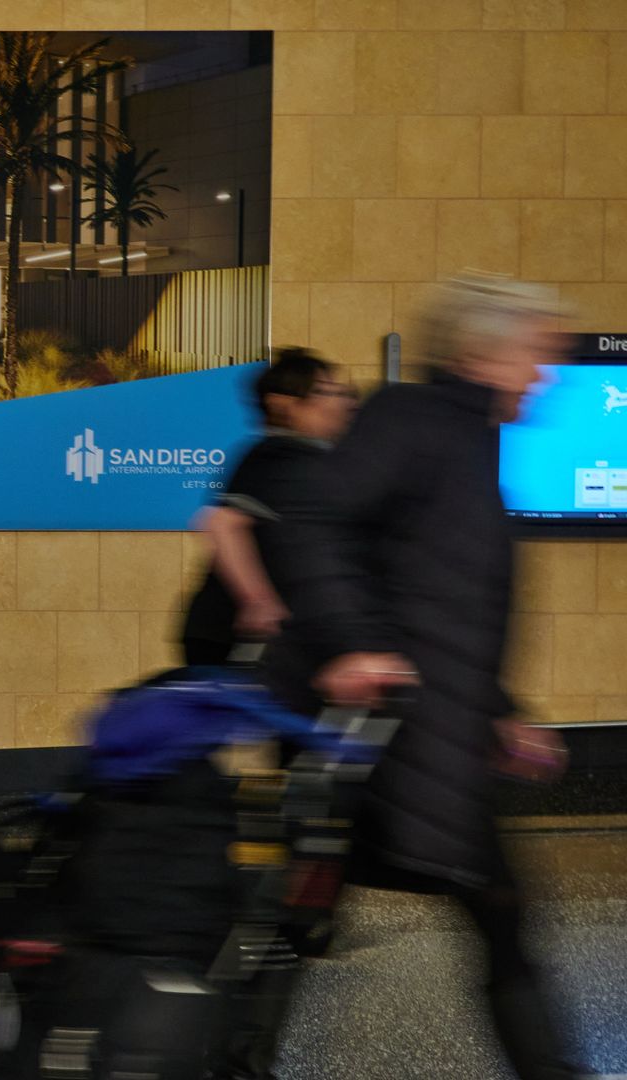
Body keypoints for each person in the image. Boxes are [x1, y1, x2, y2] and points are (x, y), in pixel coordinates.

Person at [262, 273, 585, 1080]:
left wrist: (503, 710)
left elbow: (440, 599)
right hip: (388, 736)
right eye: (535, 355)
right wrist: (351, 643)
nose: (544, 375)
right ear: (482, 350)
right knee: (322, 911)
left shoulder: (466, 439)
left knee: (318, 910)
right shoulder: (411, 420)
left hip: (427, 736)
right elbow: (311, 520)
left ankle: (232, 1055)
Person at [180, 348, 356, 667]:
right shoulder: (275, 456)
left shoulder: (312, 459)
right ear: (281, 404)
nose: (339, 402)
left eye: (340, 392)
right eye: (322, 392)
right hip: (234, 636)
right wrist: (259, 602)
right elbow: (222, 524)